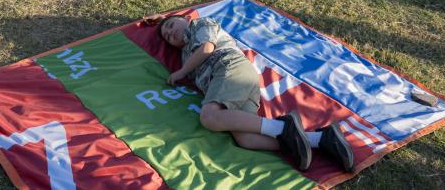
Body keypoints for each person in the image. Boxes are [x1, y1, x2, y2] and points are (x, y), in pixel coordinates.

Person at [149, 14, 354, 172]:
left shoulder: (199, 25)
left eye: (170, 26)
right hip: (229, 88)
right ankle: (321, 140)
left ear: (185, 19)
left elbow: (207, 48)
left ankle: (285, 126)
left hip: (229, 68)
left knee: (209, 117)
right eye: (167, 37)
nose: (170, 33)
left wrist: (181, 73)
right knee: (247, 140)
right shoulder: (185, 54)